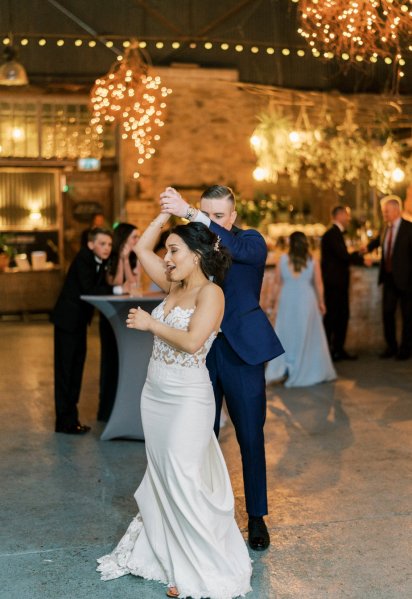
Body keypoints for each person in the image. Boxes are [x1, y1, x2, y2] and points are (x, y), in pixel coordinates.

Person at [97, 214, 252, 599]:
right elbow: (139, 248)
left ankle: (195, 564)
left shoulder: (211, 294)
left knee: (184, 478)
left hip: (187, 399)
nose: (166, 257)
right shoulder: (173, 285)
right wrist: (164, 217)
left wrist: (152, 325)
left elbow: (194, 341)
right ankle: (167, 553)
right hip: (155, 394)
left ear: (196, 255)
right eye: (167, 250)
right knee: (164, 475)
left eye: (174, 250)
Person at [158, 185, 284, 551]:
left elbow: (236, 249)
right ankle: (201, 514)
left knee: (249, 435)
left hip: (242, 351)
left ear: (232, 216)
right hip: (201, 350)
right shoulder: (195, 245)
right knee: (200, 434)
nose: (210, 221)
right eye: (205, 213)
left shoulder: (250, 241)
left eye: (217, 216)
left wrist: (191, 214)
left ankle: (256, 517)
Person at [51, 228, 113, 434]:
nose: (106, 248)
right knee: (65, 372)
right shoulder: (83, 259)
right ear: (90, 244)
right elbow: (89, 289)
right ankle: (64, 422)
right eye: (102, 244)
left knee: (76, 370)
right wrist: (116, 289)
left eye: (109, 245)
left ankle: (71, 420)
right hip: (67, 323)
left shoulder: (98, 261)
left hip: (78, 324)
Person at [266, 231, 336, 386]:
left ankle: (287, 366)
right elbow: (318, 283)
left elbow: (277, 283)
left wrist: (271, 302)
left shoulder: (282, 260)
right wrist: (321, 302)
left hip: (287, 300)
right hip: (306, 300)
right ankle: (306, 367)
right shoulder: (313, 260)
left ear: (290, 244)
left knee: (287, 333)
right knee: (306, 333)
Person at [96, 223, 140, 422]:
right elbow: (116, 282)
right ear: (124, 239)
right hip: (111, 316)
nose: (136, 242)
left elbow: (133, 284)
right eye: (134, 237)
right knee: (110, 361)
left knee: (126, 360)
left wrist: (129, 259)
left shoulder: (134, 257)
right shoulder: (111, 257)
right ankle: (106, 410)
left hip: (126, 314)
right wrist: (121, 259)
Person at [367, 196, 412, 360]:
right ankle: (391, 347)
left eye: (387, 211)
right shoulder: (386, 228)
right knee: (387, 313)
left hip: (407, 281)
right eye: (383, 211)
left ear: (397, 210)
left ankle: (405, 350)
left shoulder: (409, 228)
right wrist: (364, 250)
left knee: (407, 317)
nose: (384, 214)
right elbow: (378, 242)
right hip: (389, 279)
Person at [321, 205, 364, 361]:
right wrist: (361, 258)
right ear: (339, 215)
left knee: (341, 316)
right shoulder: (332, 234)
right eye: (347, 215)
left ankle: (338, 349)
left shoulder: (334, 234)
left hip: (337, 283)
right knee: (333, 317)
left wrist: (357, 254)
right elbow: (343, 256)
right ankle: (330, 351)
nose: (349, 218)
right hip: (334, 284)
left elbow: (343, 255)